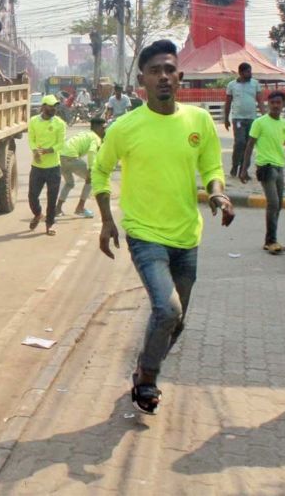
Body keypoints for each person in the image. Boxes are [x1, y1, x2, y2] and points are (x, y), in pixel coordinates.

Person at [92, 40, 234, 415]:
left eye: (170, 70)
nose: (164, 77)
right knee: (167, 310)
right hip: (144, 235)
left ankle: (143, 368)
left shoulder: (198, 121)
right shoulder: (125, 127)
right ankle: (148, 378)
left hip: (187, 236)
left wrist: (218, 195)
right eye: (155, 71)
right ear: (142, 80)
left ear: (180, 77)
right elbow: (100, 169)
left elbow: (212, 169)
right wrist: (107, 220)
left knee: (177, 323)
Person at [239, 91, 285, 254]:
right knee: (273, 203)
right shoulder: (259, 122)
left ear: (284, 104)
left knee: (278, 206)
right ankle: (271, 241)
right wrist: (244, 169)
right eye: (273, 103)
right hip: (265, 168)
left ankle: (271, 239)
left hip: (279, 168)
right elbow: (249, 146)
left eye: (279, 103)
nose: (276, 106)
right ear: (268, 104)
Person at [27, 94, 66, 235]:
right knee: (32, 196)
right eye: (50, 106)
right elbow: (31, 139)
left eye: (55, 106)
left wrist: (49, 150)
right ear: (43, 107)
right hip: (37, 167)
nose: (53, 109)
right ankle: (37, 214)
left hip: (53, 167)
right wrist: (35, 151)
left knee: (52, 198)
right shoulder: (33, 121)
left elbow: (61, 143)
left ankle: (50, 224)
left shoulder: (60, 124)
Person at [56, 117, 106, 218]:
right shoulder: (95, 138)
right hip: (71, 157)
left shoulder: (85, 134)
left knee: (69, 183)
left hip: (61, 157)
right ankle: (80, 207)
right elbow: (92, 152)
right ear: (97, 127)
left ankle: (58, 209)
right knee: (91, 180)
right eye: (103, 128)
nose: (104, 131)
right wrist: (91, 169)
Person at [224, 62, 265, 180]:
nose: (250, 73)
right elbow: (228, 103)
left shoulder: (255, 84)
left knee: (249, 145)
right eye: (247, 71)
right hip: (238, 118)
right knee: (240, 143)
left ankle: (244, 170)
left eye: (250, 71)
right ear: (241, 72)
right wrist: (226, 118)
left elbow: (260, 101)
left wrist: (264, 117)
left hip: (252, 119)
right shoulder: (232, 85)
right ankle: (234, 166)